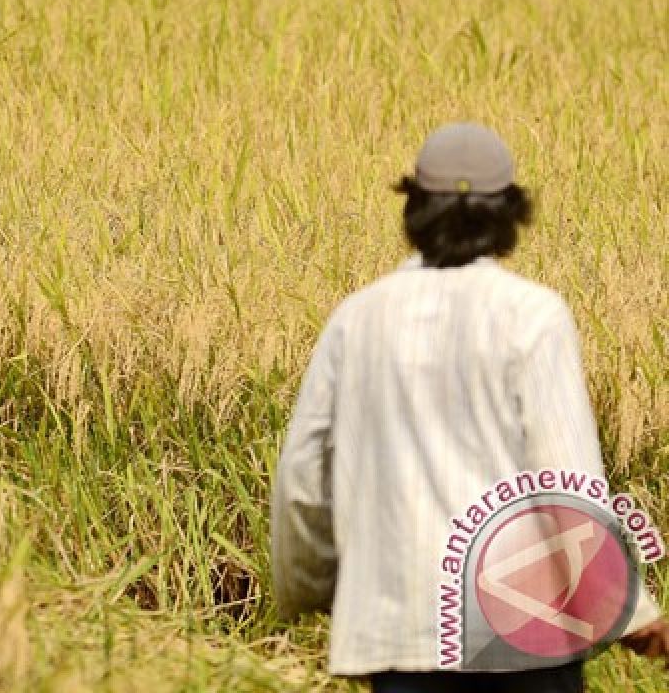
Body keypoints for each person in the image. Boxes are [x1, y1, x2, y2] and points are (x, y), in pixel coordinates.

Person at [271, 123, 667, 692]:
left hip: (400, 641)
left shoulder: (356, 320)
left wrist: (312, 590)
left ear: (415, 210)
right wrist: (626, 612)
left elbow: (303, 481)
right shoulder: (532, 318)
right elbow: (569, 487)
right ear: (510, 214)